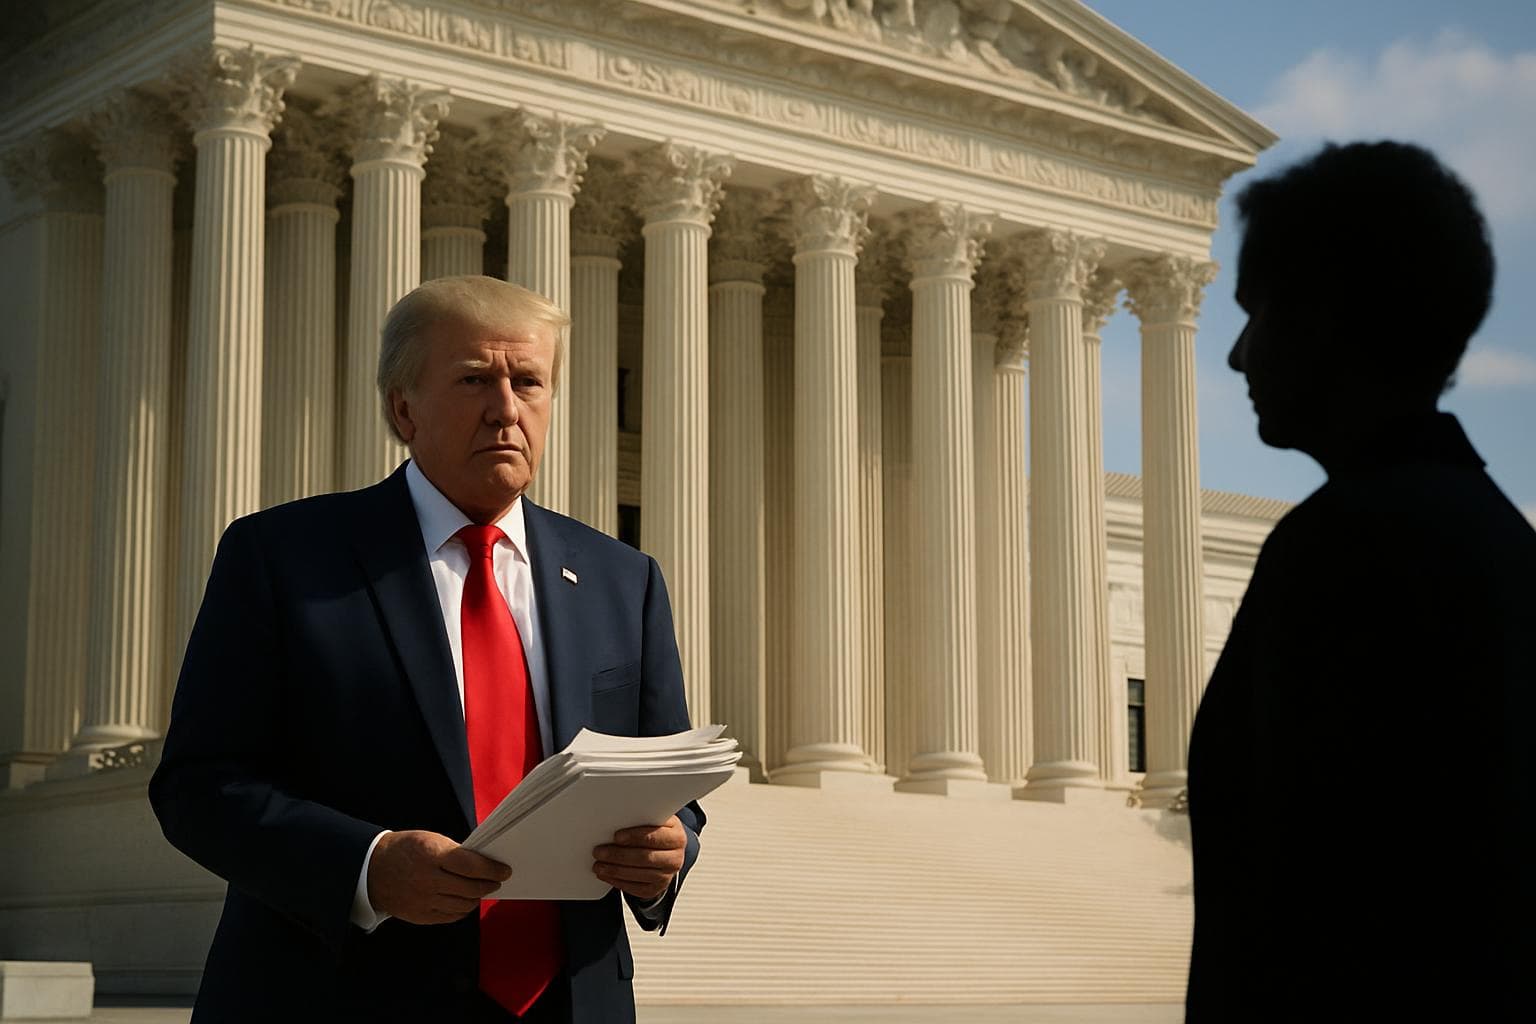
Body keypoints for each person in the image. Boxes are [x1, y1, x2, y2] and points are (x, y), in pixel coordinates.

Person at [150, 276, 702, 1023]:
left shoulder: (623, 579)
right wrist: (367, 866)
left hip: (573, 999)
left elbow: (669, 786)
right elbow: (198, 786)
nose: (506, 409)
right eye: (474, 380)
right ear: (403, 409)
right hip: (340, 995)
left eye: (528, 382)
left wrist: (667, 851)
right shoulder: (283, 557)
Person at [1185, 141, 1534, 1020]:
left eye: (1256, 314)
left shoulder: (1346, 550)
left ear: (1325, 319)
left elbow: (1311, 906)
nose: (1237, 357)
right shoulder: (1498, 542)